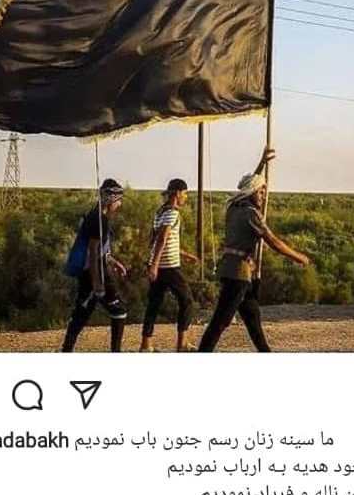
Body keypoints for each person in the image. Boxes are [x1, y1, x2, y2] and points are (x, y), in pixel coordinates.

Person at [198, 149, 310, 352]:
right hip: (238, 273)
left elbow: (250, 183)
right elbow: (273, 241)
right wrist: (298, 257)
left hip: (236, 270)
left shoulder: (233, 207)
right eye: (260, 192)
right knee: (220, 321)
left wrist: (261, 163)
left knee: (252, 317)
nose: (263, 196)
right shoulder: (251, 214)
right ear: (251, 193)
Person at [61, 179, 128, 352]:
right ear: (111, 199)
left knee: (82, 313)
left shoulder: (94, 215)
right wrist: (97, 283)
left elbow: (101, 250)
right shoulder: (99, 220)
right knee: (118, 311)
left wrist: (114, 262)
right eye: (118, 200)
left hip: (91, 271)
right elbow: (93, 252)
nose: (119, 205)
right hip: (96, 272)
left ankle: (66, 350)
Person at [140, 178, 198, 352]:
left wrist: (185, 255)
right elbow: (162, 239)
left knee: (154, 304)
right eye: (185, 193)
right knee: (187, 301)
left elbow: (162, 240)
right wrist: (155, 265)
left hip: (159, 265)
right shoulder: (173, 213)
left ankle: (146, 346)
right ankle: (182, 344)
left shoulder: (160, 212)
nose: (186, 197)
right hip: (168, 267)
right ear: (178, 193)